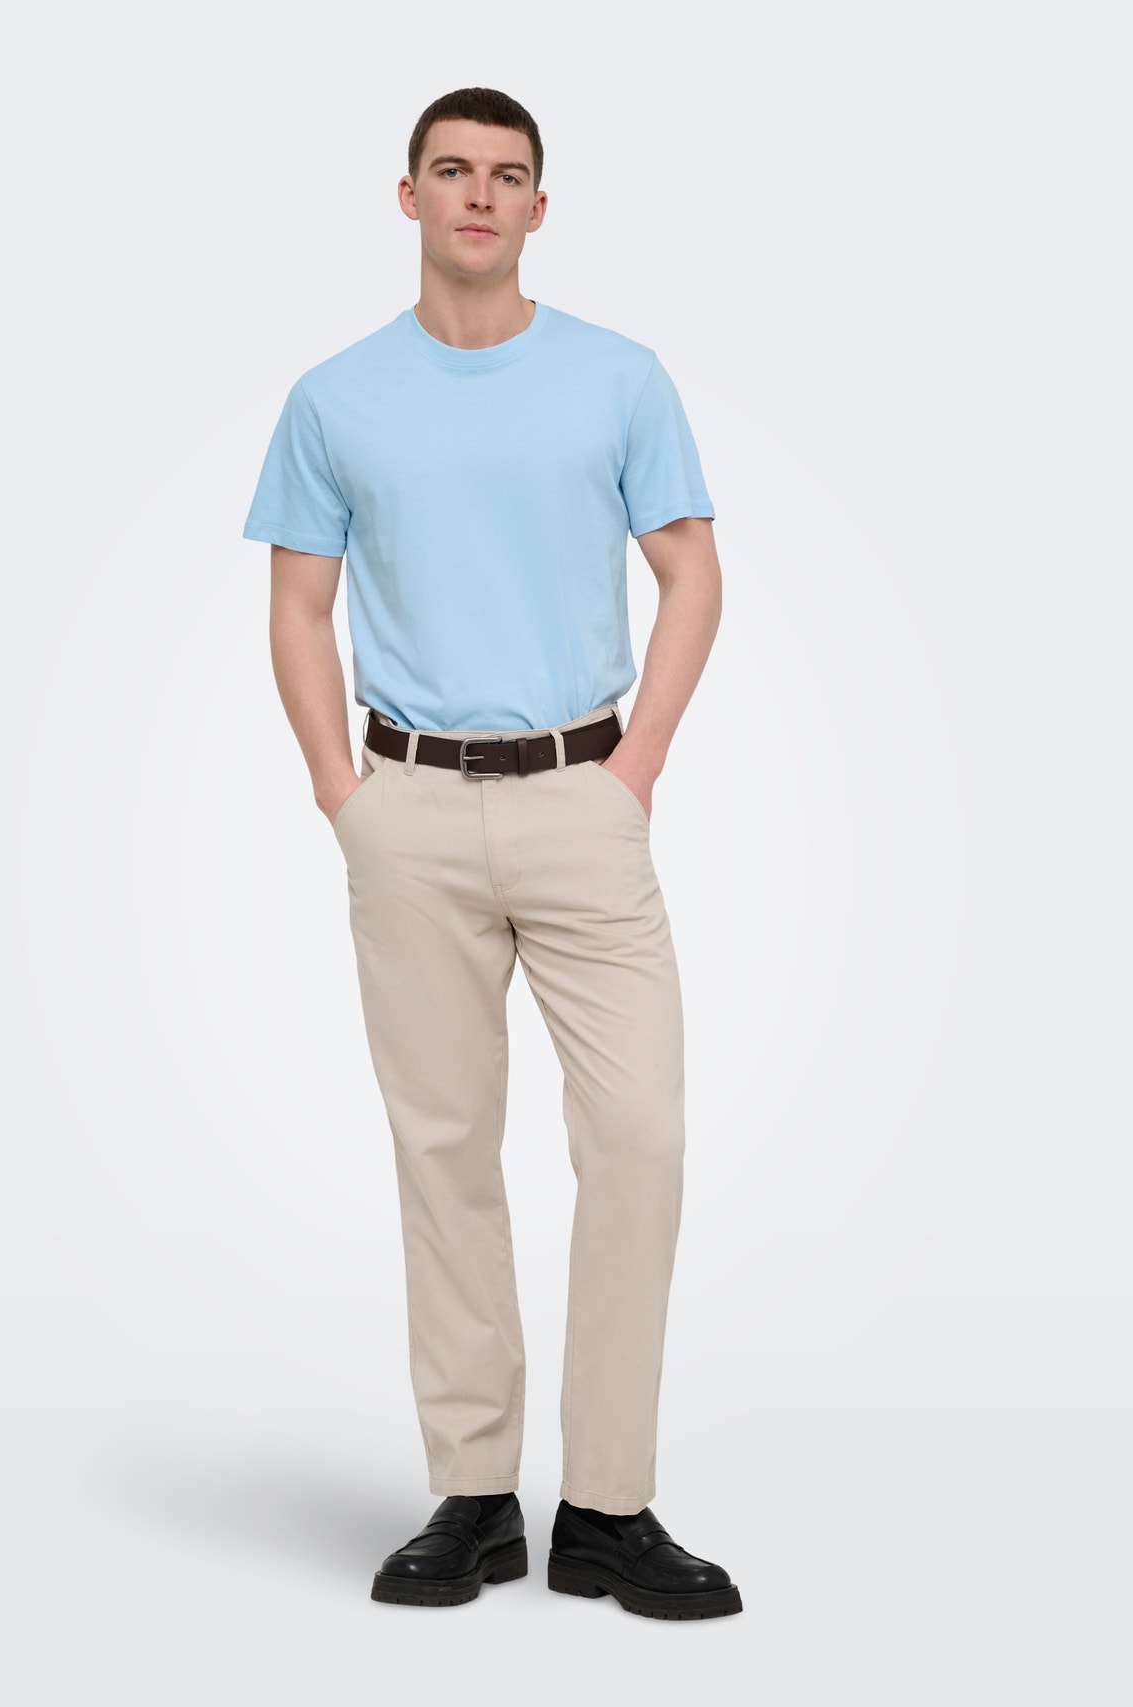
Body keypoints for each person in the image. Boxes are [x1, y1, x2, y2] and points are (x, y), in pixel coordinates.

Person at [242, 86, 742, 1622]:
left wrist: (637, 768)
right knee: (444, 1147)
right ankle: (472, 1496)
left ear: (538, 206)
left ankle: (607, 1507)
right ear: (409, 198)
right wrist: (342, 791)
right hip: (408, 807)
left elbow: (693, 575)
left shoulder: (618, 377)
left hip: (584, 795)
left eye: (506, 175)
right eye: (451, 171)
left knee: (640, 1139)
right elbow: (300, 606)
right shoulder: (335, 397)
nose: (478, 195)